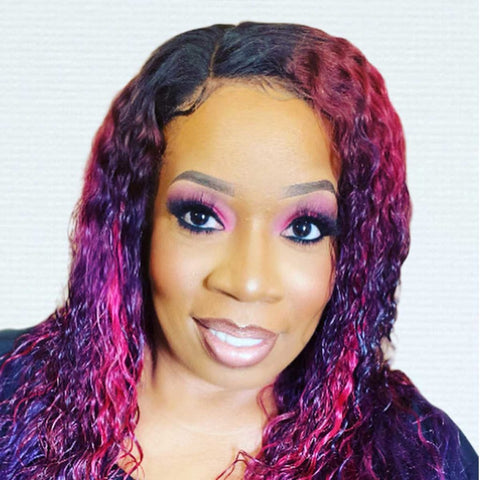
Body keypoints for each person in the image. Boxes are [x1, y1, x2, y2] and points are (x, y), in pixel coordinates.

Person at [0, 22, 477, 480]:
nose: (247, 282)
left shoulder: (422, 460)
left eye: (304, 228)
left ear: (354, 252)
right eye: (200, 217)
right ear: (135, 220)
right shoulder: (9, 389)